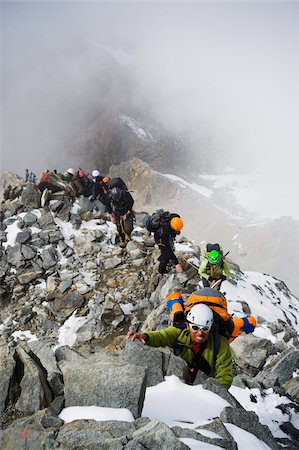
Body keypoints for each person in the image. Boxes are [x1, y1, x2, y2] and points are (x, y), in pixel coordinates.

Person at [127, 303, 233, 389]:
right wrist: (145, 336)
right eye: (195, 327)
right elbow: (161, 336)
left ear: (210, 328)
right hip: (178, 386)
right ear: (187, 325)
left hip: (205, 391)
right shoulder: (179, 333)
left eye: (205, 329)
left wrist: (214, 394)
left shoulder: (220, 344)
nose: (200, 333)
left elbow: (225, 375)